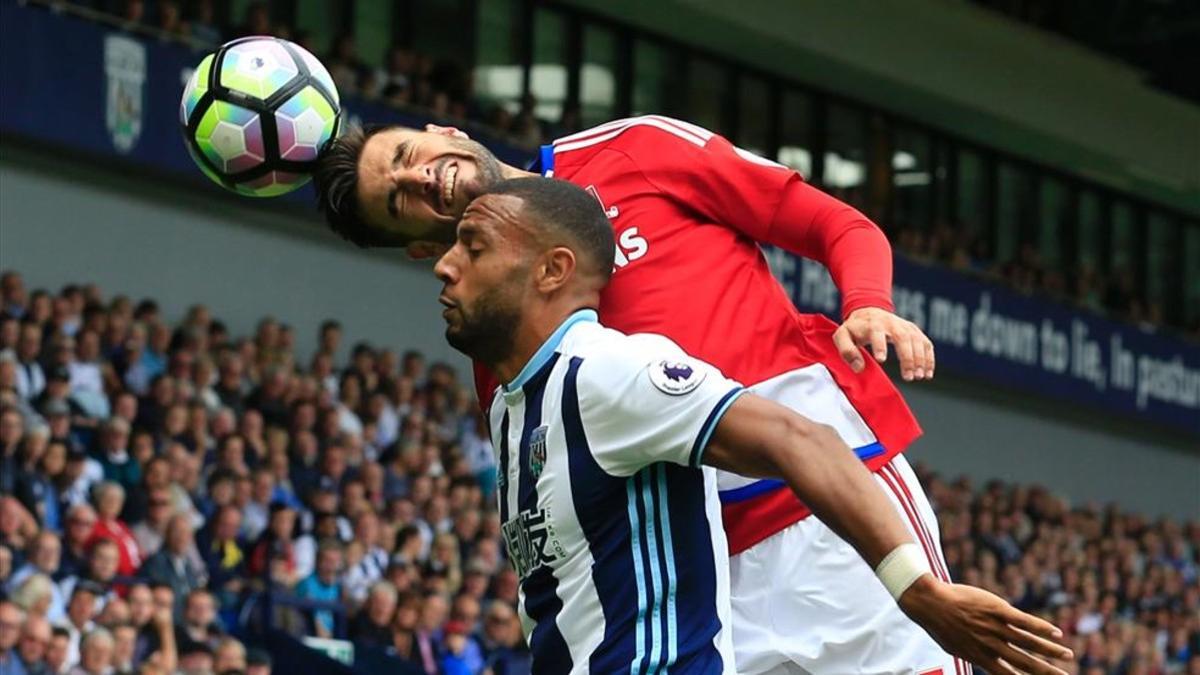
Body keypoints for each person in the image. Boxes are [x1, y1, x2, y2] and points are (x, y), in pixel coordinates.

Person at [314, 114, 951, 672]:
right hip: (702, 586)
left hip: (836, 509)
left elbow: (829, 222)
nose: (419, 180)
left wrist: (868, 303)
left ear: (443, 133)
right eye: (398, 203)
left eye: (404, 157)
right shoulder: (498, 345)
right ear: (425, 247)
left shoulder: (635, 147)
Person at [425, 177, 1072, 673]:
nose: (443, 264)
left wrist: (917, 591)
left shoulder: (611, 370)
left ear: (552, 270)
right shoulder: (514, 412)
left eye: (472, 246)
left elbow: (802, 438)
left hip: (814, 561)